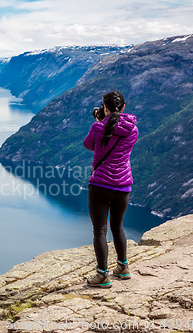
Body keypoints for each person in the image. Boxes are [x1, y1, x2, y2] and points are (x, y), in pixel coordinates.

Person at [83, 91, 139, 288]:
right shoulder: (133, 130)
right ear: (123, 107)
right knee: (118, 227)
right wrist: (105, 121)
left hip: (99, 185)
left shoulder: (98, 127)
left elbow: (88, 145)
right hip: (123, 186)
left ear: (104, 107)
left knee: (100, 230)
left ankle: (103, 275)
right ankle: (123, 268)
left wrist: (100, 122)